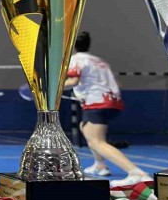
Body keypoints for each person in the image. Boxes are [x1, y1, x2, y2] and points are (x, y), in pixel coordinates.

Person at [65, 32, 152, 186]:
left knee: (97, 141)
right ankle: (100, 165)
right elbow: (118, 84)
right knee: (85, 127)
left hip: (96, 102)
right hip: (113, 101)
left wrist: (51, 88)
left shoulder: (76, 60)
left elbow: (73, 81)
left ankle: (137, 173)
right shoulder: (101, 61)